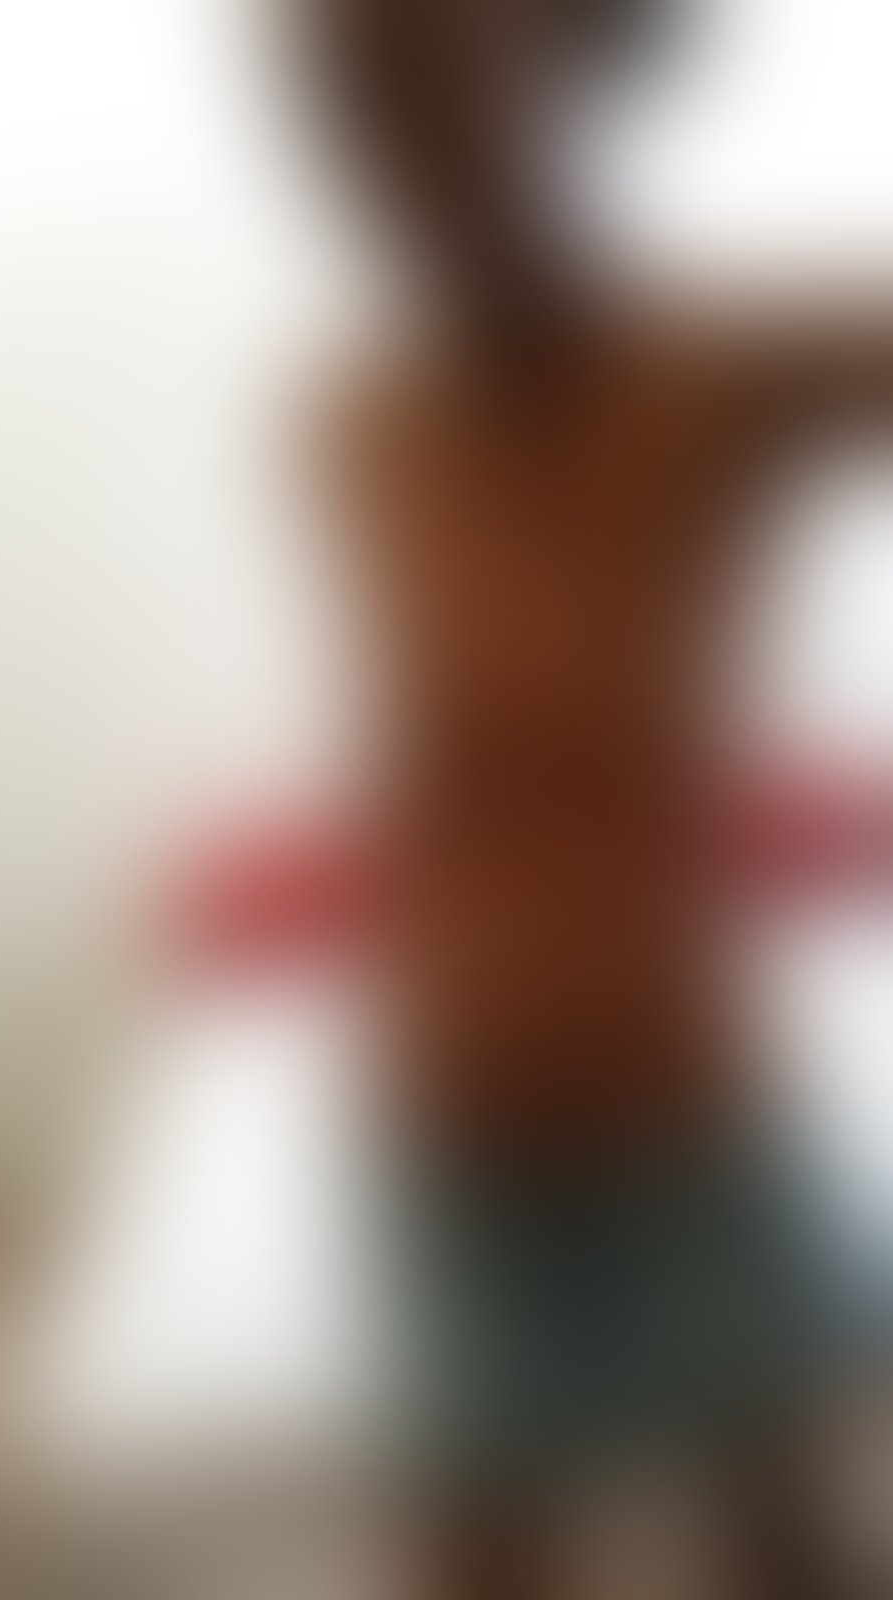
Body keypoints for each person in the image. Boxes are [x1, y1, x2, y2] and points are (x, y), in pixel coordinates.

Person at [273, 2, 893, 1593]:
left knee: (791, 1551)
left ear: (545, 88)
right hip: (452, 1115)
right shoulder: (351, 426)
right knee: (477, 1565)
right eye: (365, 129)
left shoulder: (716, 378)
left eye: (454, 98)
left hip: (680, 1092)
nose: (421, 167)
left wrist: (640, 47)